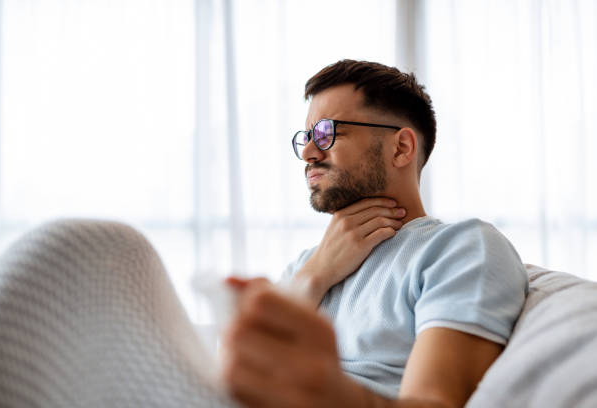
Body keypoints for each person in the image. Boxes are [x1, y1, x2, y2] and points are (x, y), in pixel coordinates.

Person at [219, 60, 529, 407]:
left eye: (326, 132)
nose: (307, 152)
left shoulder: (460, 248)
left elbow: (434, 401)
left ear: (401, 148)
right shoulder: (305, 267)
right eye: (307, 137)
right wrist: (314, 277)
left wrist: (323, 391)